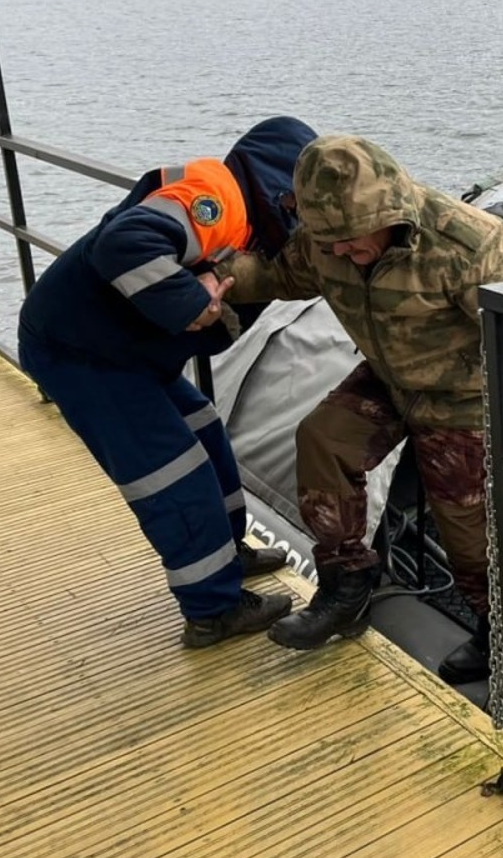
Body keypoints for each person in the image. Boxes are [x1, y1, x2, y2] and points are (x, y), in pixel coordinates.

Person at [224, 134, 503, 682]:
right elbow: (283, 276)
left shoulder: (466, 244)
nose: (341, 253)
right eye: (331, 244)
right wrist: (219, 278)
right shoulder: (327, 240)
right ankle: (347, 590)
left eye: (352, 241)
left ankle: (500, 636)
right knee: (322, 441)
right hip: (391, 376)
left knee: (467, 533)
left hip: (465, 395)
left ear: (389, 215)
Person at [17, 116, 320, 647]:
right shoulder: (218, 199)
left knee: (208, 436)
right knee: (174, 474)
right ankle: (212, 611)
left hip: (124, 351)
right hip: (81, 353)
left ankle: (227, 558)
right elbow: (123, 244)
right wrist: (190, 297)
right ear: (282, 188)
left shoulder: (248, 216)